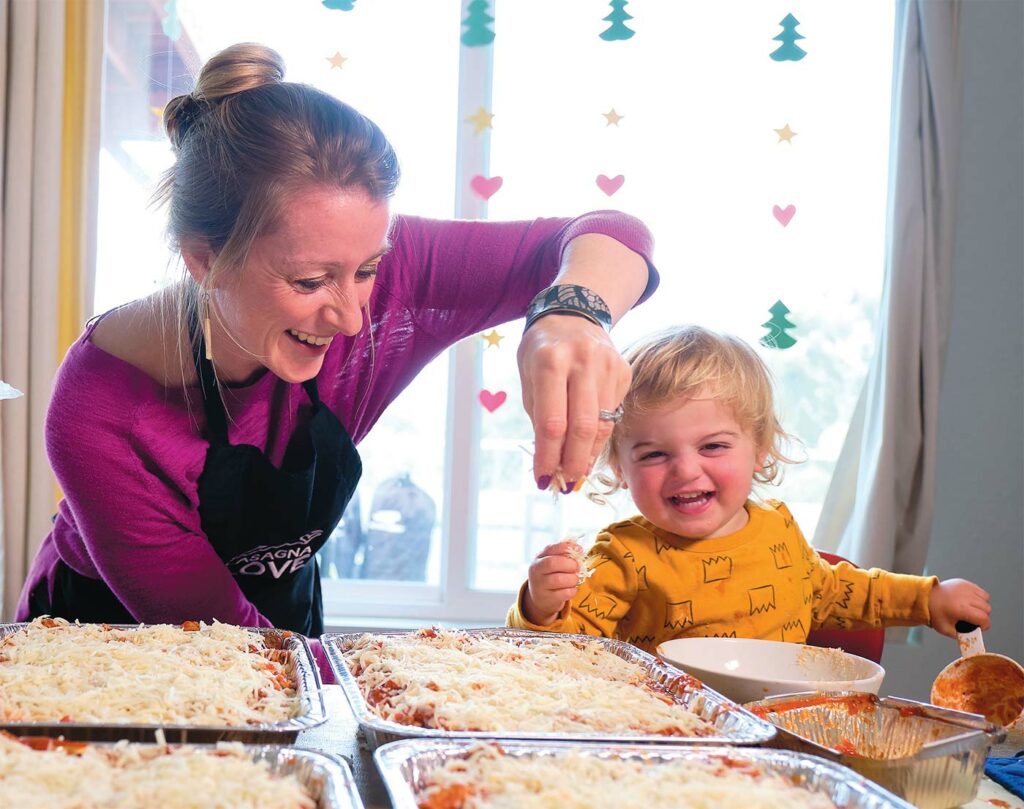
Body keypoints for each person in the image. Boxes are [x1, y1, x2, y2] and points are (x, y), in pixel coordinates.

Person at [15, 44, 658, 678]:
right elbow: (218, 639)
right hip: (106, 648)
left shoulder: (384, 267)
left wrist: (572, 312)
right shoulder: (99, 406)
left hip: (275, 622)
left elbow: (613, 233)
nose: (352, 318)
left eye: (368, 270)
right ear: (204, 259)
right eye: (309, 281)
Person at [508, 325, 992, 654]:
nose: (685, 470)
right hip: (669, 740)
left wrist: (928, 600)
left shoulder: (777, 529)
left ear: (760, 448)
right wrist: (540, 606)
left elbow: (838, 592)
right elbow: (564, 654)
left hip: (781, 729)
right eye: (654, 454)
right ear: (619, 468)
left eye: (713, 446)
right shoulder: (622, 556)